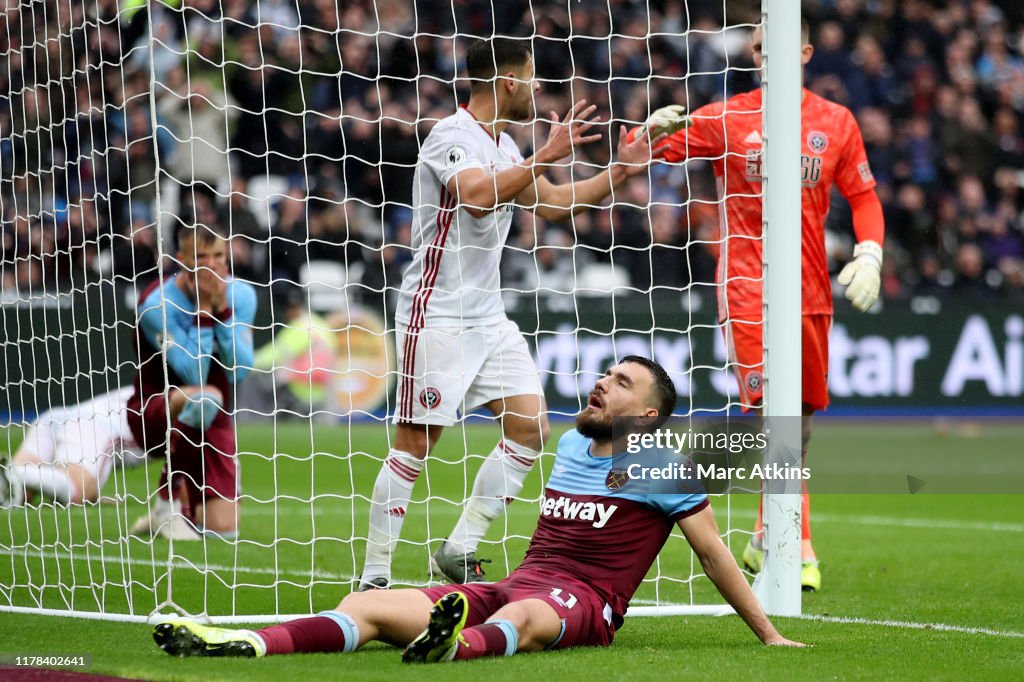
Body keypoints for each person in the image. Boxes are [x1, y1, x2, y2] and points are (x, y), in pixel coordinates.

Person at [150, 356, 805, 660]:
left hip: (583, 604)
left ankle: (451, 647)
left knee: (526, 614)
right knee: (365, 606)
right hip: (514, 584)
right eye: (605, 373)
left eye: (622, 382)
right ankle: (248, 643)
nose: (602, 382)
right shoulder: (576, 446)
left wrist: (768, 633)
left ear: (649, 414)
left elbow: (714, 554)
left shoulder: (666, 468)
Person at [360, 37, 668, 588]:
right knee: (416, 444)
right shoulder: (448, 136)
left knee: (530, 428)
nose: (536, 89)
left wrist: (619, 173)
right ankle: (374, 577)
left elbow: (552, 202)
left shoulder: (504, 145)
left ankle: (459, 548)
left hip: (487, 317)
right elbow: (476, 195)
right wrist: (544, 156)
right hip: (435, 314)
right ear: (506, 83)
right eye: (529, 78)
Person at [635, 20, 886, 591]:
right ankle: (794, 544)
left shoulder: (834, 121)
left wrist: (870, 253)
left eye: (775, 47)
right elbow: (645, 150)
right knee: (774, 419)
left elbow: (864, 198)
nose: (763, 56)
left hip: (812, 290)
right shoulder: (727, 116)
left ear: (805, 50)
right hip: (748, 285)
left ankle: (757, 536)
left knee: (797, 424)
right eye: (756, 48)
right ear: (752, 54)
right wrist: (648, 131)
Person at [126, 222, 257, 540]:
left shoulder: (240, 295)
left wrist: (221, 310)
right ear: (182, 259)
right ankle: (167, 501)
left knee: (224, 531)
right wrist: (203, 310)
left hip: (214, 420)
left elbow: (239, 371)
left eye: (217, 256)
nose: (212, 265)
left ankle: (172, 512)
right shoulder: (156, 304)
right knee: (205, 396)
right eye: (201, 256)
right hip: (156, 409)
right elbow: (192, 372)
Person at [0, 387, 142, 507]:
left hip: (57, 418)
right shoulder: (160, 402)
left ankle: (15, 472)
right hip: (92, 425)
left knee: (18, 493)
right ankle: (17, 472)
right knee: (76, 490)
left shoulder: (147, 387)